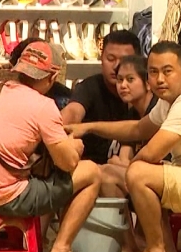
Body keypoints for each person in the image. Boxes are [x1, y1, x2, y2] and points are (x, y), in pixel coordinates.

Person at [65, 42, 181, 252]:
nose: (159, 79)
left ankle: (157, 250)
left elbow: (151, 154)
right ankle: (133, 246)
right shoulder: (169, 100)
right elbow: (138, 129)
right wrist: (88, 127)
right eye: (153, 72)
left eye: (167, 71)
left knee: (138, 174)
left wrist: (130, 174)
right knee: (108, 173)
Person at [0, 41, 101, 252]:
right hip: (2, 197)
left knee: (39, 178)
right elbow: (68, 163)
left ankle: (40, 240)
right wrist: (73, 146)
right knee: (91, 172)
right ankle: (61, 250)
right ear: (53, 77)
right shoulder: (43, 106)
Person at [60, 29, 141, 165]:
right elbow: (73, 111)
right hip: (92, 167)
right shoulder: (89, 87)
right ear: (101, 59)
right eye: (110, 59)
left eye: (124, 60)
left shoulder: (148, 96)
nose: (116, 66)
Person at [100, 55, 158, 198]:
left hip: (163, 175)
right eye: (120, 80)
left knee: (106, 173)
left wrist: (118, 163)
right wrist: (119, 163)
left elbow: (151, 164)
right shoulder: (132, 113)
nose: (123, 85)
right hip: (140, 175)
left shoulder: (158, 110)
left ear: (148, 83)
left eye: (130, 79)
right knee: (104, 173)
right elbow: (123, 158)